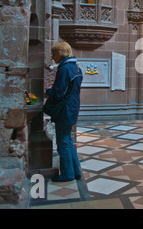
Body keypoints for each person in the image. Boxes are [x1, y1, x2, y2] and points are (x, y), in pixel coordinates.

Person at [46, 42, 83, 182]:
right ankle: (75, 172)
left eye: (54, 54)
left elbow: (59, 92)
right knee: (67, 140)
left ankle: (67, 174)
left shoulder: (65, 68)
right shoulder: (75, 67)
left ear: (61, 53)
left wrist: (48, 92)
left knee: (63, 142)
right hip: (72, 108)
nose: (52, 57)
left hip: (65, 109)